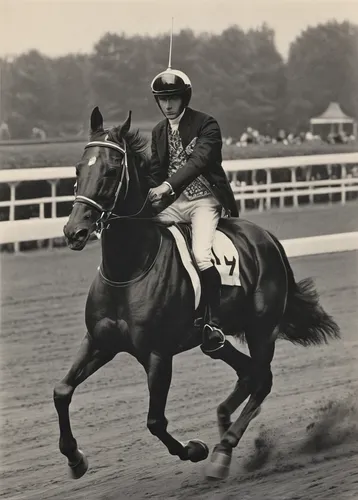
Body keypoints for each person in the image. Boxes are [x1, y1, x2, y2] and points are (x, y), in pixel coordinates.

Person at [147, 67, 239, 352]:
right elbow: (155, 171)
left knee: (200, 254)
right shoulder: (158, 131)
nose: (168, 104)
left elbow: (198, 162)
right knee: (144, 235)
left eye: (173, 98)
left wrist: (167, 187)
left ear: (184, 97)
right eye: (163, 99)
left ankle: (214, 322)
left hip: (204, 201)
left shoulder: (206, 124)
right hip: (174, 204)